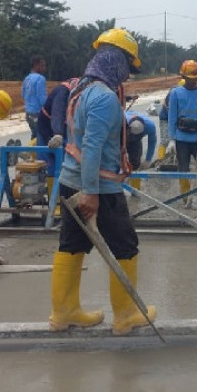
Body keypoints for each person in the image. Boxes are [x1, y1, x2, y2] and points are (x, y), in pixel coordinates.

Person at [52, 28, 156, 335]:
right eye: (126, 64)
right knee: (125, 246)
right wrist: (91, 194)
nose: (127, 73)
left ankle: (63, 313)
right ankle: (125, 316)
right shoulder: (104, 98)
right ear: (116, 61)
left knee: (71, 245)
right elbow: (93, 148)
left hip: (70, 181)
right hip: (99, 187)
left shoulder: (80, 88)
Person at [166, 60, 197, 207]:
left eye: (195, 79)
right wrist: (172, 139)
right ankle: (186, 198)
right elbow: (172, 117)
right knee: (183, 169)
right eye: (189, 79)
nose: (192, 82)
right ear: (184, 78)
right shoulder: (176, 93)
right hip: (181, 138)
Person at [124, 111, 157, 191]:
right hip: (123, 136)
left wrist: (148, 159)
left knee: (135, 163)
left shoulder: (150, 126)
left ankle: (135, 189)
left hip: (136, 142)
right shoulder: (122, 121)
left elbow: (152, 142)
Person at [156, 79, 185, 162]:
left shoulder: (186, 94)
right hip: (165, 118)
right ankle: (160, 159)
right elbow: (171, 112)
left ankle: (173, 158)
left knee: (178, 139)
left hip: (177, 118)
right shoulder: (173, 93)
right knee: (165, 139)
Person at [21, 55, 48, 140]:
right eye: (42, 65)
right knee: (42, 138)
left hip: (28, 113)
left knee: (34, 136)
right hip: (37, 113)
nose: (44, 68)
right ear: (36, 65)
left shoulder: (27, 79)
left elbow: (23, 94)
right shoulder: (40, 79)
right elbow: (42, 98)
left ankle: (31, 152)